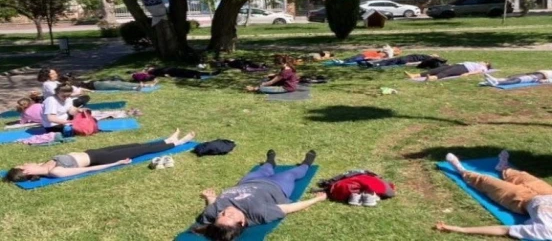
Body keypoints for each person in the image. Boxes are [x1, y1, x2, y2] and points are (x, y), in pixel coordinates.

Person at [190, 150, 326, 241]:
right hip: (276, 186)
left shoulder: (213, 213)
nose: (226, 212)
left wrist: (210, 198)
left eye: (221, 215)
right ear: (242, 222)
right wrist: (317, 199)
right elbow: (290, 207)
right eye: (230, 216)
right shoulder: (259, 213)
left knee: (265, 168)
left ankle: (270, 160)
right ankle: (306, 163)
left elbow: (212, 206)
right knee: (293, 173)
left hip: (248, 182)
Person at [3, 129, 195, 182]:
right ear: (26, 171)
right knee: (142, 151)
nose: (25, 162)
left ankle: (169, 139)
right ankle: (178, 143)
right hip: (102, 159)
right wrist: (117, 163)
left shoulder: (44, 164)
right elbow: (88, 170)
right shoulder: (55, 173)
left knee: (136, 144)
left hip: (94, 152)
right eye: (23, 164)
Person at [405, 61, 491, 81]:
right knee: (436, 69)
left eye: (484, 61)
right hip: (459, 65)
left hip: (464, 68)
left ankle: (432, 78)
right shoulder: (476, 63)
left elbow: (478, 72)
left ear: (486, 64)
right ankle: (414, 75)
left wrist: (468, 74)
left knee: (447, 73)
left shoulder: (484, 68)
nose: (481, 61)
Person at [484, 69, 552, 87]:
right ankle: (494, 79)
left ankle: (497, 83)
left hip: (538, 76)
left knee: (517, 80)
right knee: (513, 77)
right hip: (535, 73)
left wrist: (545, 81)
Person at [361, 54, 447, 68]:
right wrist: (409, 64)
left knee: (388, 61)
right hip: (406, 60)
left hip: (405, 58)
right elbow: (419, 63)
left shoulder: (425, 56)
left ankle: (374, 63)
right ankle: (376, 65)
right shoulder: (428, 59)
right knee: (389, 64)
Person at [335, 45, 400, 64]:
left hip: (366, 55)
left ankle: (343, 61)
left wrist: (369, 57)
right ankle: (343, 60)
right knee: (354, 57)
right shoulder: (382, 52)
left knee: (355, 59)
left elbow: (377, 58)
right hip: (365, 54)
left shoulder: (383, 55)